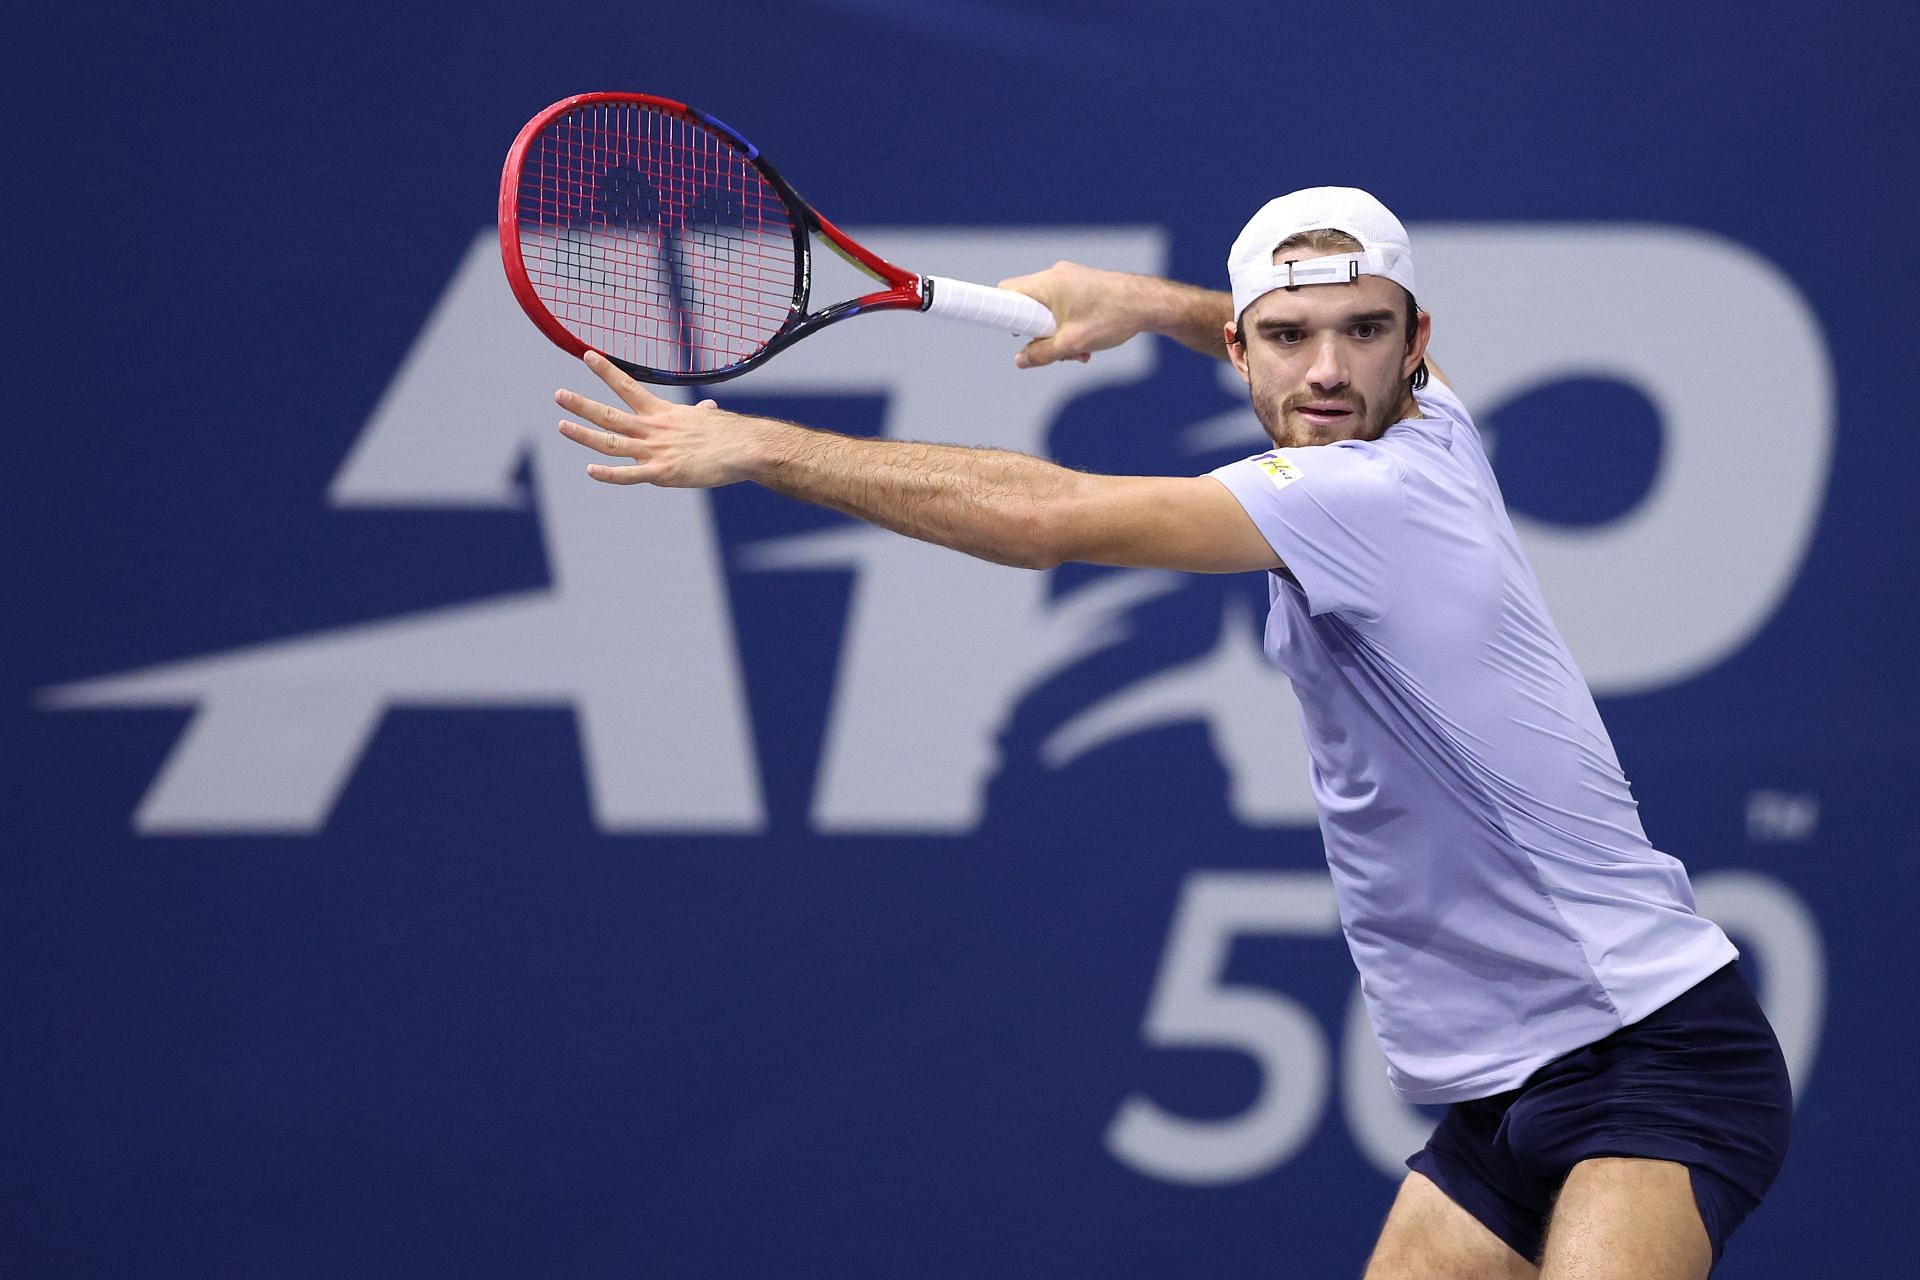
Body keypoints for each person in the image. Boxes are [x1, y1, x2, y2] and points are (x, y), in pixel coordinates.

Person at [552, 187, 1791, 1278]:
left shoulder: (1374, 490)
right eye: (1291, 336)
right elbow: (1276, 339)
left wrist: (761, 443)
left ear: (1417, 348)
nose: (1327, 370)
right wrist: (1133, 301)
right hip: (1500, 1091)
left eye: (1366, 332)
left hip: (1653, 1056)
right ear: (1247, 351)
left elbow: (1045, 517)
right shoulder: (1437, 428)